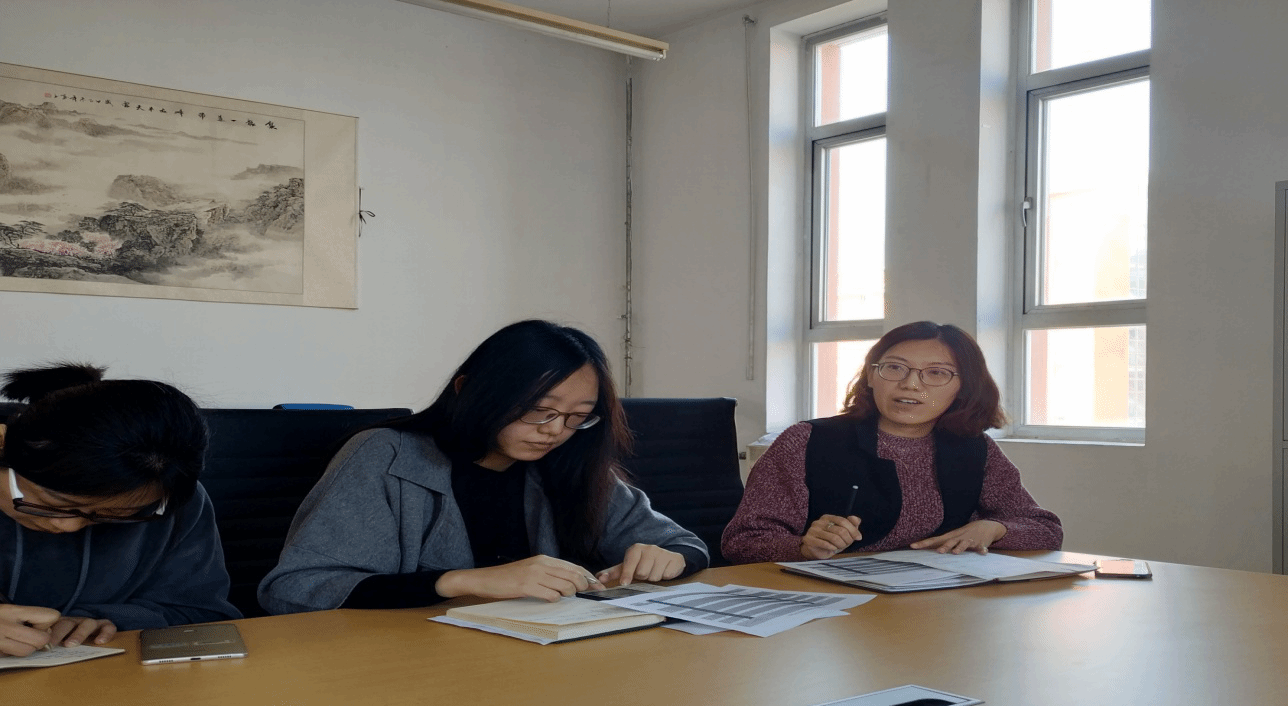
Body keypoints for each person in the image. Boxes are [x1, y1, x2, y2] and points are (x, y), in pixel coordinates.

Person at [259, 320, 709, 614]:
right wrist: (461, 582)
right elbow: (295, 588)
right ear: (468, 390)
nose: (555, 431)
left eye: (578, 416)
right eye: (539, 410)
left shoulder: (570, 461)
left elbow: (684, 544)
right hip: (412, 664)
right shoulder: (387, 456)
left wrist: (671, 556)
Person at [722, 321, 1062, 564]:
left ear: (964, 387)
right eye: (895, 368)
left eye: (936, 373)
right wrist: (802, 548)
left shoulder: (974, 448)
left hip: (938, 607)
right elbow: (742, 542)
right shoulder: (808, 441)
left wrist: (993, 528)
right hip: (831, 610)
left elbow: (1045, 529)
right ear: (871, 376)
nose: (911, 384)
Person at [0, 363, 240, 657]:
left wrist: (108, 621)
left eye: (113, 515)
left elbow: (202, 612)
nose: (68, 526)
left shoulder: (169, 506)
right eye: (52, 503)